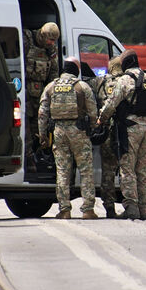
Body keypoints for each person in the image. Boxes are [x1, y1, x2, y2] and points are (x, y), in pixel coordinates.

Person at [97, 49, 146, 221]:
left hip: (130, 129)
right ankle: (145, 209)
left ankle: (131, 208)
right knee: (144, 170)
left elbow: (111, 104)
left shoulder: (125, 80)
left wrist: (101, 119)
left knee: (128, 169)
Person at [38, 56, 98, 220]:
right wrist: (93, 128)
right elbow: (93, 112)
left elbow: (42, 114)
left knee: (63, 171)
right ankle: (88, 210)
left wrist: (43, 136)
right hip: (79, 132)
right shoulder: (82, 87)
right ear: (76, 69)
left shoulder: (51, 87)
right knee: (85, 171)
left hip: (59, 132)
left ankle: (64, 210)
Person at [83, 56, 124, 219]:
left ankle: (109, 207)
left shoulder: (101, 81)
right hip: (124, 131)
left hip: (106, 131)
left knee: (108, 171)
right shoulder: (126, 81)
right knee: (128, 169)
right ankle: (132, 205)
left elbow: (85, 82)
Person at [23, 22, 60, 172]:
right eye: (50, 40)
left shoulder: (51, 50)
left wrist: (50, 92)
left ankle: (35, 157)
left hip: (40, 94)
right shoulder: (27, 40)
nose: (51, 43)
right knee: (25, 128)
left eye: (54, 41)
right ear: (42, 35)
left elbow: (54, 72)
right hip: (25, 91)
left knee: (37, 128)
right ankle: (27, 159)